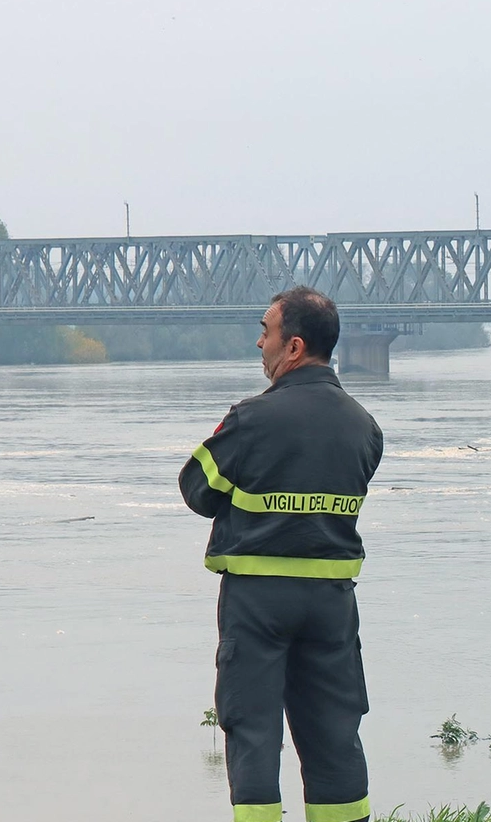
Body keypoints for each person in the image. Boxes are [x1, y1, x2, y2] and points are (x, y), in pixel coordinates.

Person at [179, 286, 383, 822]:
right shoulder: (364, 426)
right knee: (334, 729)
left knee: (253, 728)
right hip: (332, 602)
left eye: (266, 332)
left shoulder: (252, 419)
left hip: (258, 598)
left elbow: (196, 489)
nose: (259, 342)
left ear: (293, 347)